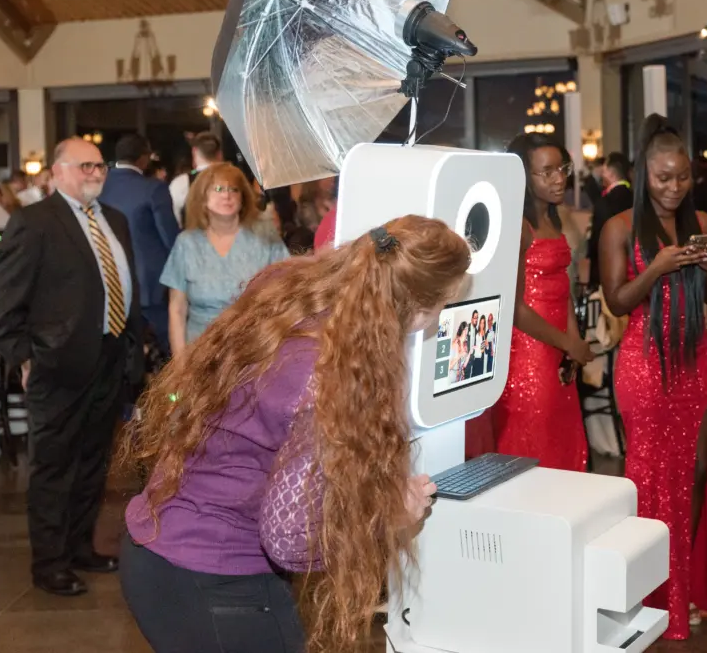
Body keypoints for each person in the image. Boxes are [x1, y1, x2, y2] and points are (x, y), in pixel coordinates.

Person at [118, 215, 470, 653]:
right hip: (211, 578)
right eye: (441, 308)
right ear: (414, 304)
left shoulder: (289, 288)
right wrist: (386, 518)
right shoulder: (329, 373)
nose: (436, 323)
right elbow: (287, 539)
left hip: (157, 550)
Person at [0, 137, 143, 596]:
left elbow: (122, 288)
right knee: (55, 469)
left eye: (100, 166)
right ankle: (50, 564)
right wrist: (23, 356)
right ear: (57, 172)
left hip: (109, 362)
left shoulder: (113, 219)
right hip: (56, 366)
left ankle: (80, 548)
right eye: (85, 166)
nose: (96, 173)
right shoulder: (33, 222)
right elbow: (6, 297)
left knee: (92, 464)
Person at [599, 114, 707, 640]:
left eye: (682, 178)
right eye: (663, 178)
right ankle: (648, 591)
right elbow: (616, 300)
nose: (674, 188)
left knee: (695, 473)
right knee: (649, 478)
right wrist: (659, 267)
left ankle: (680, 586)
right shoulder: (620, 228)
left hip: (696, 361)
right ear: (644, 175)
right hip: (645, 363)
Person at [490, 133, 593, 472]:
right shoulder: (519, 227)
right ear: (524, 177)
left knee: (562, 448)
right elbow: (515, 309)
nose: (559, 178)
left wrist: (572, 344)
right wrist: (569, 344)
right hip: (529, 358)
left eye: (562, 168)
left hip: (557, 351)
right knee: (535, 451)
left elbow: (562, 288)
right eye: (546, 172)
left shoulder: (553, 219)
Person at [162, 162, 289, 355]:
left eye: (234, 189)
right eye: (219, 189)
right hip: (199, 355)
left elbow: (287, 291)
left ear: (242, 198)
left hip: (253, 352)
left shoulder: (265, 238)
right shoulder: (187, 243)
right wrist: (179, 365)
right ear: (203, 198)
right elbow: (177, 309)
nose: (227, 195)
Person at [99, 134, 180, 357]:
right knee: (169, 348)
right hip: (151, 284)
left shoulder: (100, 186)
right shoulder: (154, 189)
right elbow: (170, 237)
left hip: (109, 281)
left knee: (121, 351)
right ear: (144, 159)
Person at [588, 152, 633, 289]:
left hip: (607, 269)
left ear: (611, 174)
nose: (602, 174)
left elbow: (597, 239)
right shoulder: (635, 198)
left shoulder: (605, 202)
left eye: (605, 170)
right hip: (633, 269)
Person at [169, 131, 223, 227]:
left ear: (194, 151)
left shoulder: (180, 183)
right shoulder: (234, 179)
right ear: (220, 154)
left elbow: (174, 220)